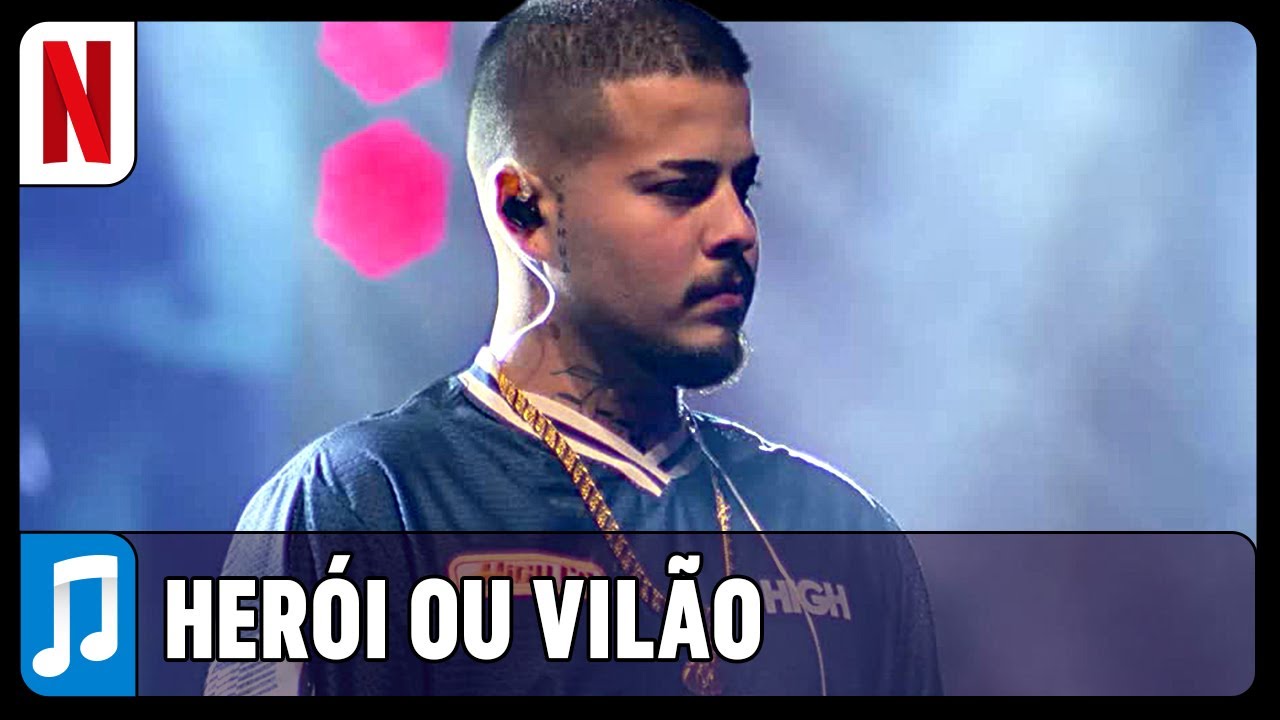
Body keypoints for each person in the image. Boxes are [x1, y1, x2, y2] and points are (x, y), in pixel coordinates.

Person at [207, 0, 943, 696]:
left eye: (741, 187)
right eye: (680, 188)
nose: (737, 230)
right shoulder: (362, 502)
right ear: (523, 210)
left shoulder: (841, 532)